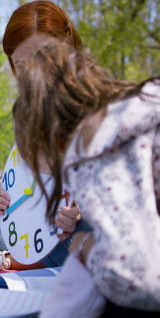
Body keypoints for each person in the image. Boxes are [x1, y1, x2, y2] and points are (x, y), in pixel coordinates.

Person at [14, 40, 160, 314]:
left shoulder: (94, 152)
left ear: (48, 136)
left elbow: (138, 276)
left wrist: (87, 249)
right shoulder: (137, 111)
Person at [0, 0, 87, 272]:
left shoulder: (92, 100)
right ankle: (25, 255)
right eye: (21, 65)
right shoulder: (26, 108)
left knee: (93, 226)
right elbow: (24, 174)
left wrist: (79, 207)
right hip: (32, 222)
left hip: (70, 226)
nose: (33, 75)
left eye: (43, 58)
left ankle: (12, 261)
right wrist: (1, 193)